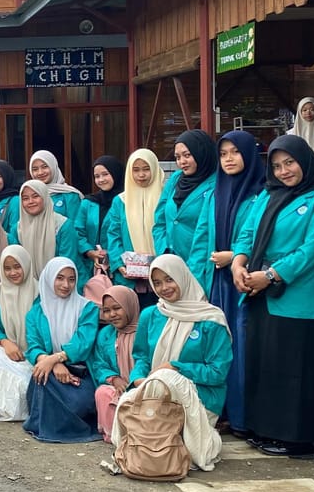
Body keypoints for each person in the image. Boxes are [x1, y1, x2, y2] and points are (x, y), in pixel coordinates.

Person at [231, 135, 314, 457]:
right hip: (259, 291)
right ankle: (268, 429)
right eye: (276, 166)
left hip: (300, 296)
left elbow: (313, 249)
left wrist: (271, 275)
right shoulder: (267, 194)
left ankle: (300, 438)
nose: (283, 171)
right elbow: (246, 233)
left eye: (290, 163)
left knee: (296, 371)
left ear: (305, 161)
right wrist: (238, 263)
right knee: (267, 365)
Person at [111, 255, 231, 472]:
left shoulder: (210, 319)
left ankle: (198, 440)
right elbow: (141, 358)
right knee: (128, 400)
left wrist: (176, 368)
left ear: (182, 277)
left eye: (169, 279)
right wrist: (138, 379)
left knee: (165, 379)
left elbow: (218, 372)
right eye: (157, 283)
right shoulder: (151, 315)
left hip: (201, 396)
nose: (164, 288)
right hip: (156, 390)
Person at [208, 130, 265, 434]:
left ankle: (246, 418)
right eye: (223, 154)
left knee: (244, 348)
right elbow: (202, 237)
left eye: (235, 152)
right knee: (220, 346)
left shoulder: (262, 193)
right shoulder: (215, 192)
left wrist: (234, 257)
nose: (228, 159)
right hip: (217, 282)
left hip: (244, 282)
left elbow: (265, 236)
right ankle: (225, 412)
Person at [23, 257, 101, 442]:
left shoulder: (87, 308)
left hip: (81, 371)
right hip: (50, 370)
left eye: (71, 279)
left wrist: (55, 359)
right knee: (43, 376)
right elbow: (33, 347)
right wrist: (51, 363)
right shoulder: (35, 313)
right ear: (49, 278)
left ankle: (48, 425)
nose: (66, 285)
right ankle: (48, 426)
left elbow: (83, 343)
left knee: (79, 403)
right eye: (60, 278)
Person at [0, 246, 37, 422]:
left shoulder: (39, 292)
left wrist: (33, 352)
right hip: (9, 351)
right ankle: (2, 407)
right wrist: (4, 341)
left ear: (26, 265)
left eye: (17, 266)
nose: (13, 273)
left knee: (25, 384)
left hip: (34, 353)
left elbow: (43, 330)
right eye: (7, 268)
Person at [154, 130, 218, 288]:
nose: (182, 162)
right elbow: (160, 220)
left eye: (187, 155)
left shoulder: (216, 184)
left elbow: (207, 232)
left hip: (201, 268)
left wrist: (192, 272)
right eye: (177, 157)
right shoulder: (176, 179)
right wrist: (165, 253)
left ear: (201, 152)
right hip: (170, 265)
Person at [105, 149, 166, 295]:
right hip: (129, 276)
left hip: (163, 272)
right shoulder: (121, 201)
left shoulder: (166, 197)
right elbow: (113, 235)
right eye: (136, 170)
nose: (141, 175)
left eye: (146, 169)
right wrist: (118, 264)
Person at [90, 286, 140, 442]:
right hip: (120, 387)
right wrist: (114, 379)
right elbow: (99, 364)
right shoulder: (106, 334)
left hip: (143, 386)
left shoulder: (146, 332)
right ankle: (116, 436)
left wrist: (138, 382)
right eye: (106, 310)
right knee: (103, 393)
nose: (112, 314)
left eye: (117, 308)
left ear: (130, 305)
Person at [7, 180, 79, 280]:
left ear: (45, 197)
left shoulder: (63, 225)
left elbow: (67, 262)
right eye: (25, 198)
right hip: (29, 284)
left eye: (35, 196)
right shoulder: (17, 229)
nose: (31, 201)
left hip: (61, 283)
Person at [76, 156, 123, 285]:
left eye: (105, 174)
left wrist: (114, 256)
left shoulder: (125, 201)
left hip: (120, 266)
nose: (101, 179)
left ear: (116, 173)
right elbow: (78, 232)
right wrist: (90, 252)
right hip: (91, 267)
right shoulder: (88, 202)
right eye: (97, 176)